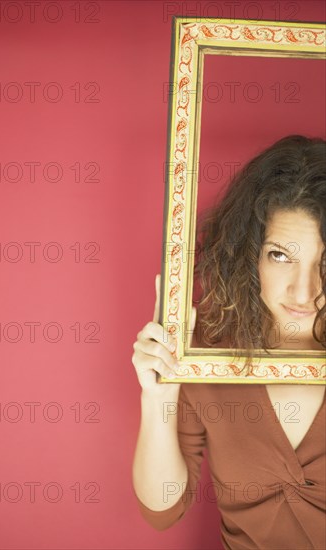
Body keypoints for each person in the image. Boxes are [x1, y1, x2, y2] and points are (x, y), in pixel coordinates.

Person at [131, 135, 326, 550]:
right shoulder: (207, 351)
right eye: (280, 255)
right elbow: (163, 510)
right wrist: (157, 396)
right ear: (249, 253)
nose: (304, 291)